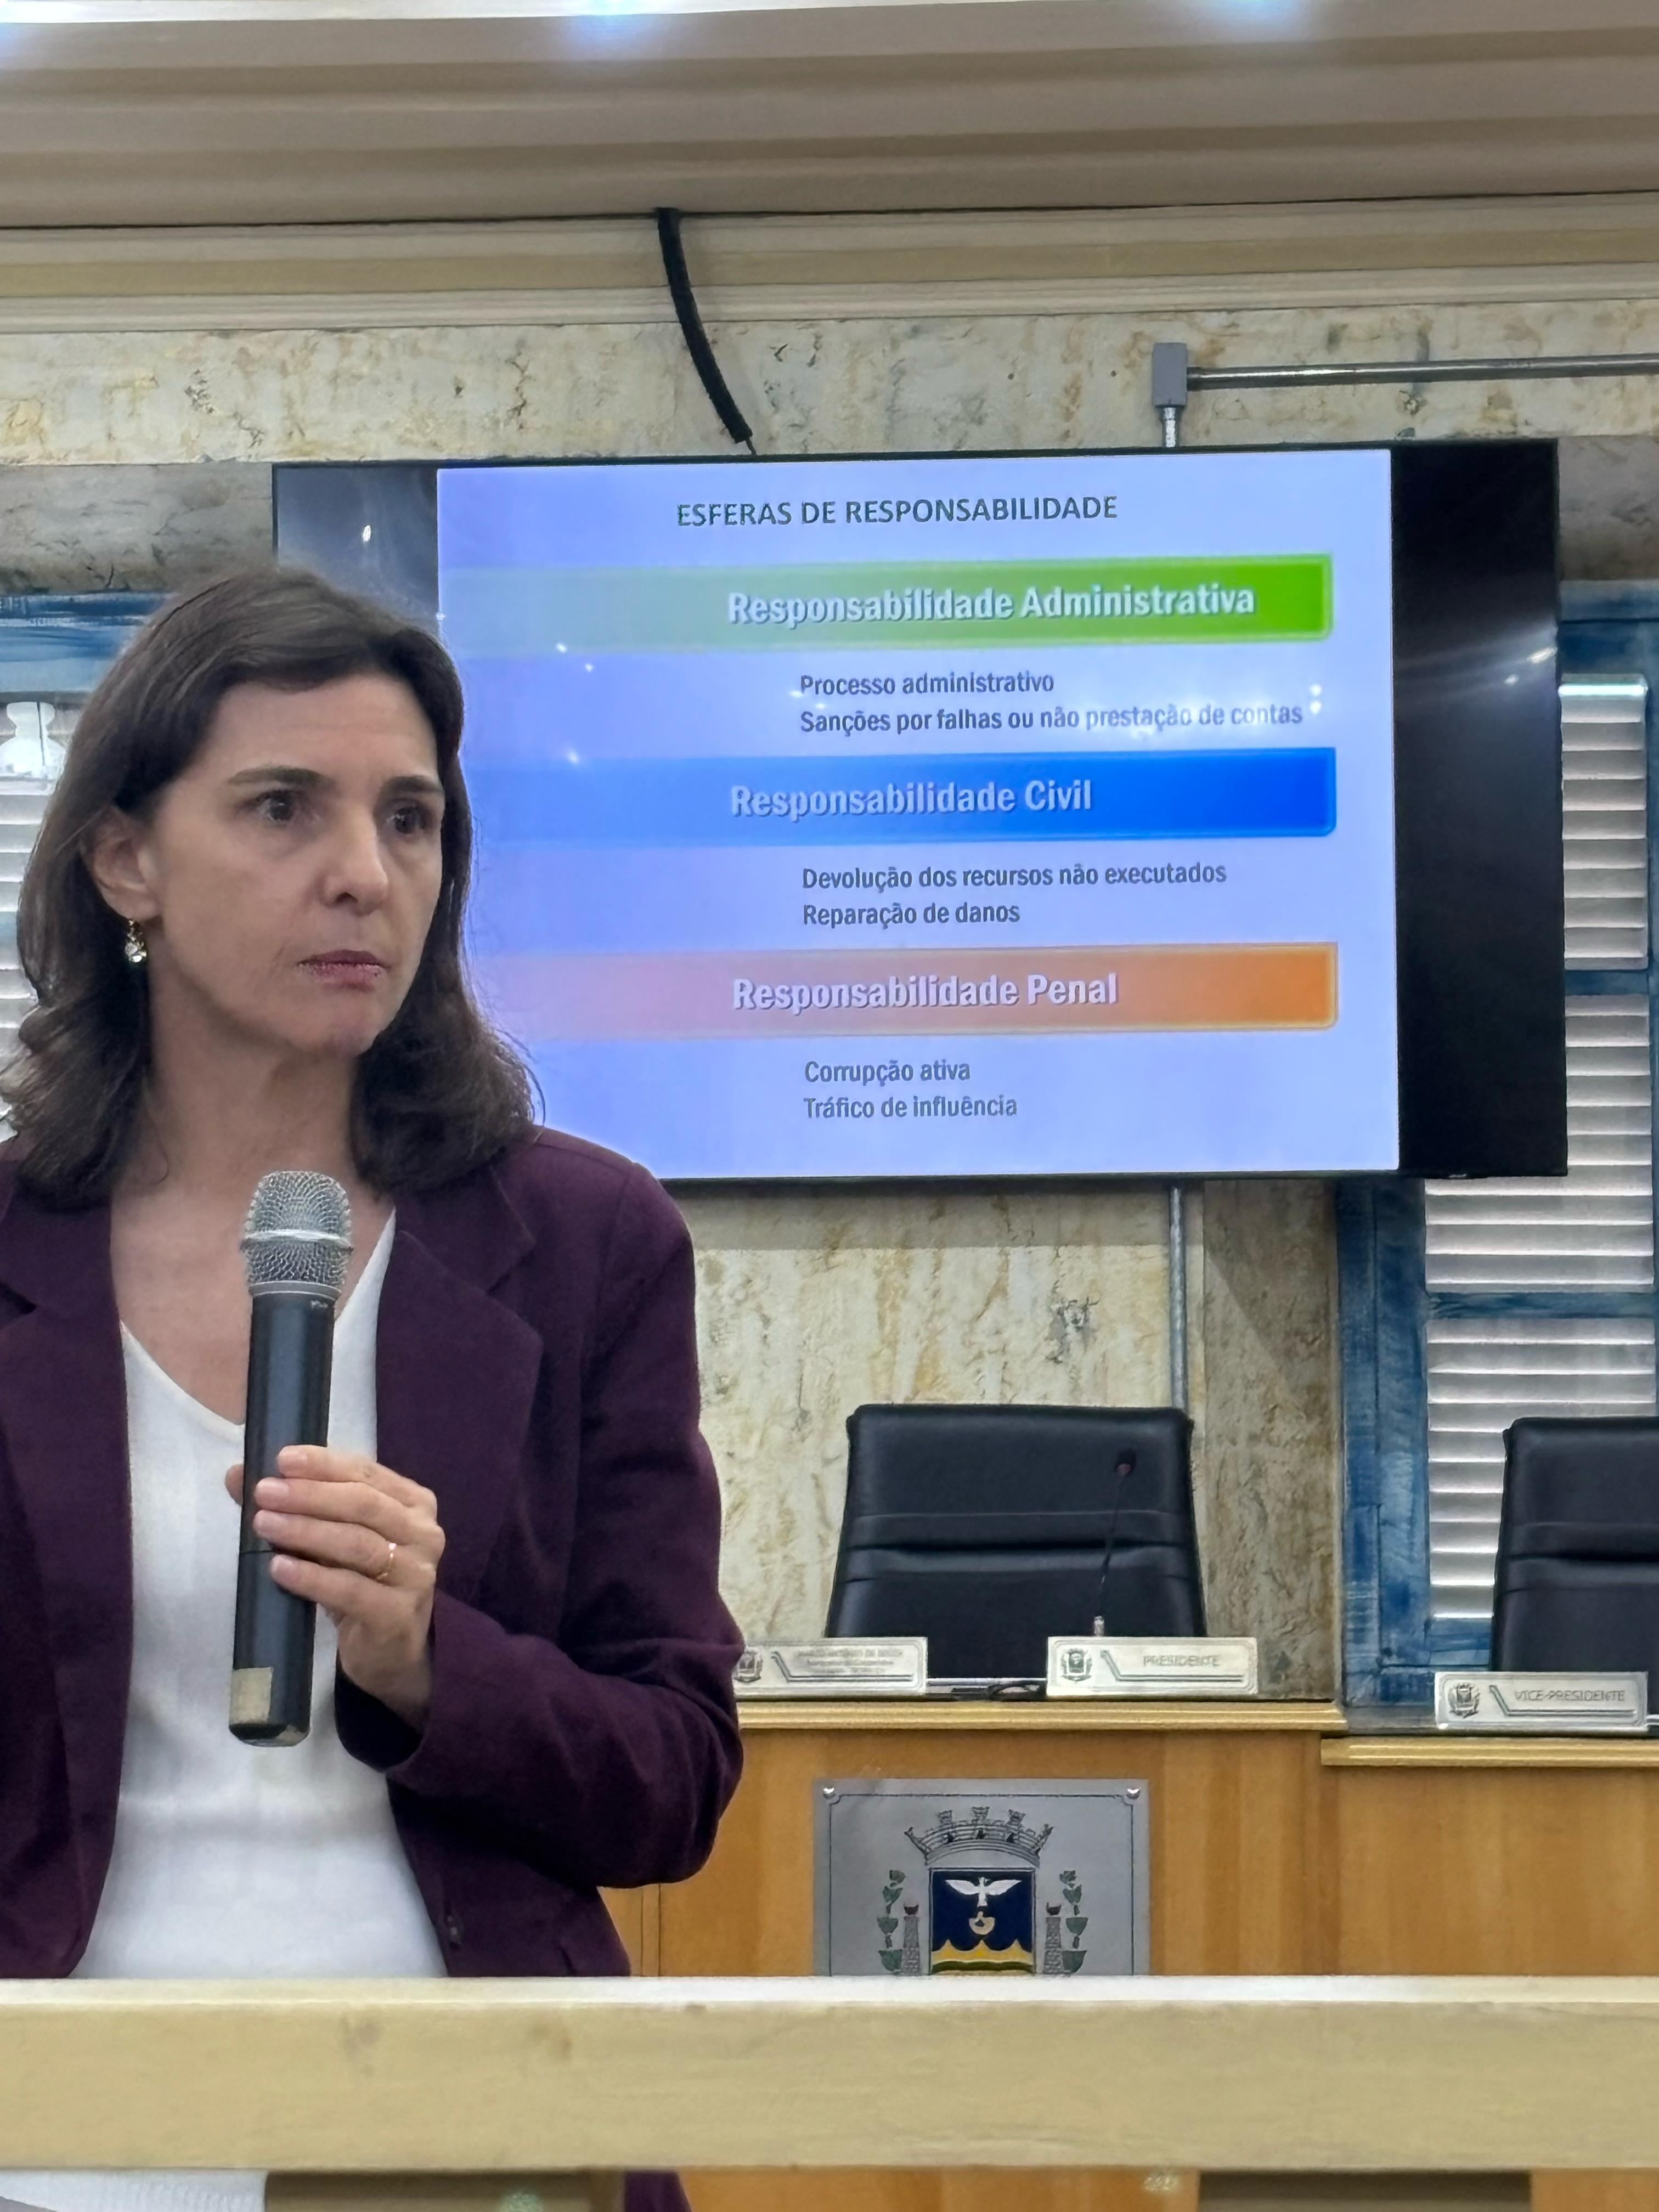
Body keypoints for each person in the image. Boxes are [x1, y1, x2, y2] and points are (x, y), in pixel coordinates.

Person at [0, 569, 742, 2212]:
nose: (365, 873)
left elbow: (674, 1778)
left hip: (469, 2134)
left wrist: (426, 1659)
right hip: (54, 2137)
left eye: (410, 820)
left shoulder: (586, 1243)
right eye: (284, 809)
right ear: (126, 859)